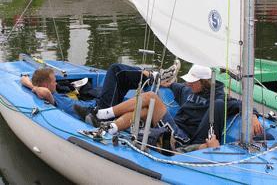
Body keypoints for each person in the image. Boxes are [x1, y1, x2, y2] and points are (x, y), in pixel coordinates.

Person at [77, 64, 262, 147]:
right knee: (143, 110)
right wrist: (165, 82)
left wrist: (253, 116)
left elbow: (242, 104)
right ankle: (110, 128)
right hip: (173, 126)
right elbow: (173, 85)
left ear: (205, 82)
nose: (189, 84)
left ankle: (103, 114)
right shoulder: (188, 90)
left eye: (193, 81)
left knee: (150, 98)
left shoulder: (217, 97)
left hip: (183, 137)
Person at [21, 62, 179, 119]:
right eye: (54, 81)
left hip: (97, 105)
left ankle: (156, 78)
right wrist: (32, 86)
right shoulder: (49, 95)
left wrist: (28, 81)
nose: (56, 84)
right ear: (45, 84)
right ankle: (155, 77)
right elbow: (45, 92)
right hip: (98, 111)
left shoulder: (55, 94)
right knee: (115, 69)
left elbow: (29, 82)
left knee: (122, 80)